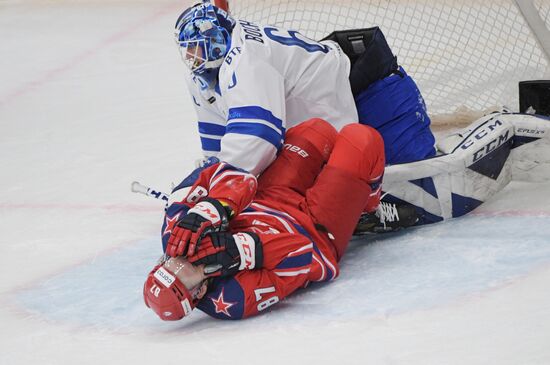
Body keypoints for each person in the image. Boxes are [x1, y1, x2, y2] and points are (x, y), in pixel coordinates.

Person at [144, 118, 385, 320]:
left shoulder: (176, 234)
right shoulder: (233, 297)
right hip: (315, 228)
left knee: (315, 131)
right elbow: (300, 252)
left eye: (169, 264)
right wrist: (240, 251)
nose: (180, 262)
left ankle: (346, 184)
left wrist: (212, 207)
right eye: (183, 275)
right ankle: (369, 206)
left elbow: (226, 173)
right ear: (199, 293)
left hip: (272, 196)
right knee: (360, 139)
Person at [174, 1, 435, 178]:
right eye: (186, 48)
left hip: (364, 93)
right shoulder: (206, 70)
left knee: (406, 174)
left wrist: (224, 181)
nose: (191, 56)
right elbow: (217, 131)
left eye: (196, 47)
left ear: (216, 41)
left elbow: (259, 137)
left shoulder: (246, 58)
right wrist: (212, 172)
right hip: (327, 104)